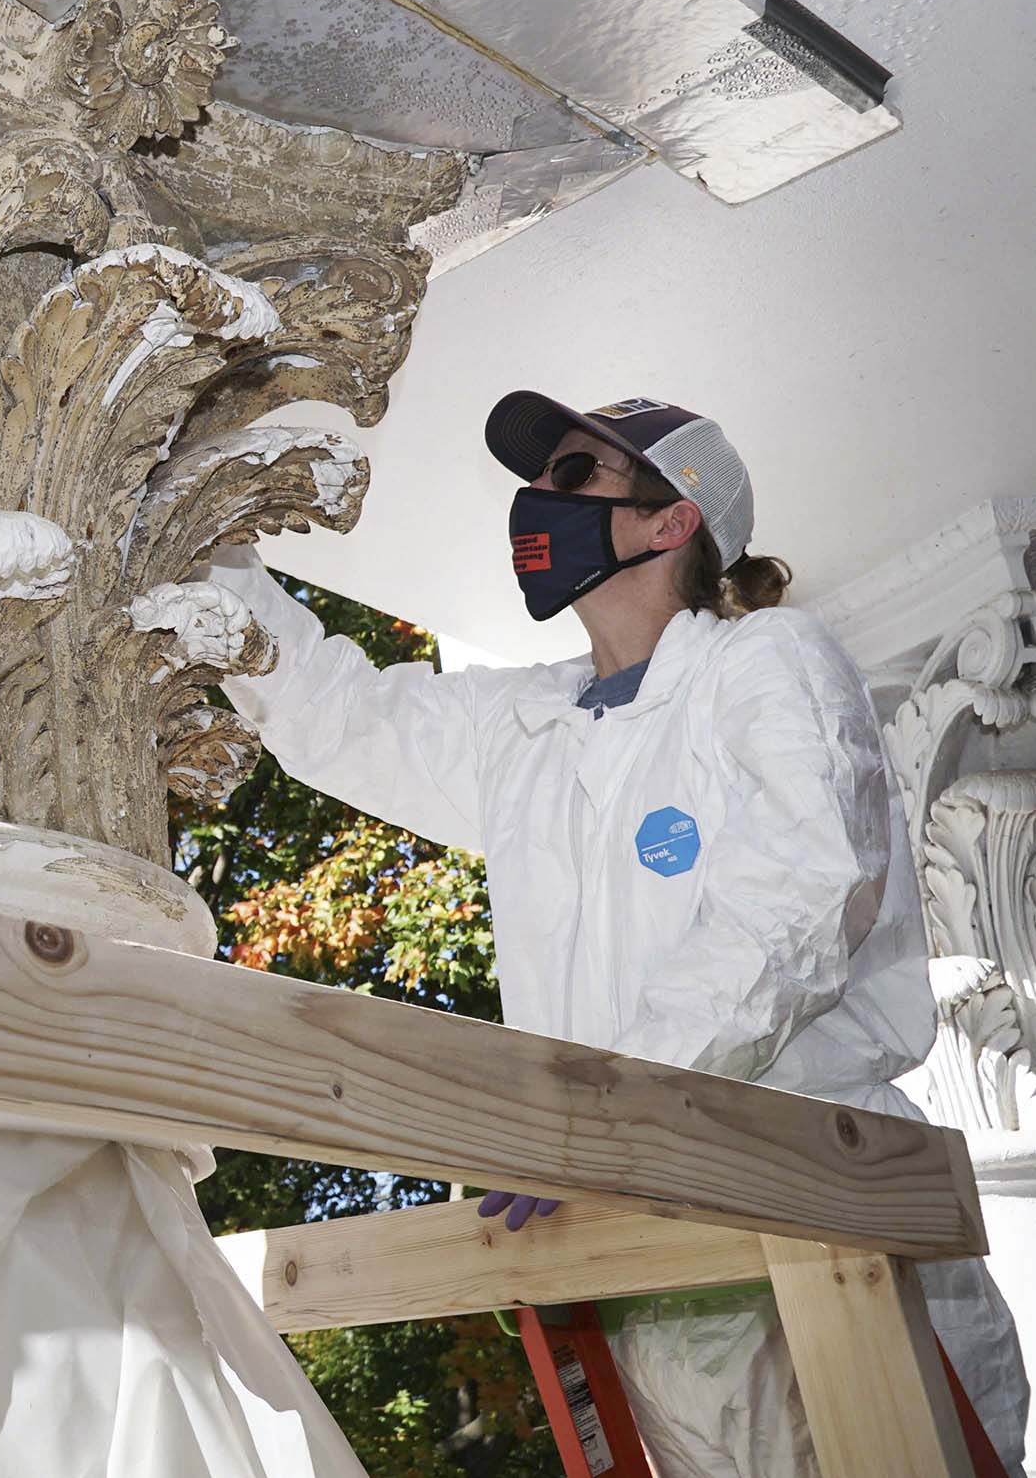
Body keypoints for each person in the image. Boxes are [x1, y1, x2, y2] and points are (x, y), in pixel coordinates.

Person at [210, 391, 1030, 1476]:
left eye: (572, 476)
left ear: (671, 519)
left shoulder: (765, 661)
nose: (534, 501)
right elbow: (339, 715)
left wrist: (600, 1104)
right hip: (640, 1261)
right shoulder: (522, 727)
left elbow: (801, 896)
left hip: (817, 1205)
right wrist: (207, 558)